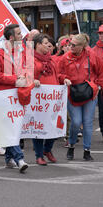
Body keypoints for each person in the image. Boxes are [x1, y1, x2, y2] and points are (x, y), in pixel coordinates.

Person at [58, 34, 103, 161]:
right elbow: (58, 73)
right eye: (69, 44)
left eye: (73, 45)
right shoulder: (65, 57)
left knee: (87, 122)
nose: (70, 47)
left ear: (82, 46)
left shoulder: (91, 56)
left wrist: (98, 87)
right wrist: (64, 79)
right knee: (75, 122)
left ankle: (87, 150)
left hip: (89, 94)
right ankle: (72, 145)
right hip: (72, 93)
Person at [0, 24, 29, 173]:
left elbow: (26, 68)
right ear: (11, 37)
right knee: (9, 127)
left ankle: (8, 159)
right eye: (19, 34)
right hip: (4, 96)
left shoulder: (22, 50)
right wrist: (15, 79)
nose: (22, 36)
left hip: (18, 94)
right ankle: (19, 159)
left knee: (14, 127)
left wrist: (24, 76)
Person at [31, 33, 65, 165]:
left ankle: (47, 149)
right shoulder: (31, 59)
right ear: (37, 45)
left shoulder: (52, 60)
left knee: (56, 125)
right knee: (39, 127)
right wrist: (33, 81)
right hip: (39, 99)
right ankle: (39, 155)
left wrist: (64, 79)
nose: (48, 45)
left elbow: (58, 75)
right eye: (45, 43)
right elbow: (26, 75)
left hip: (53, 98)